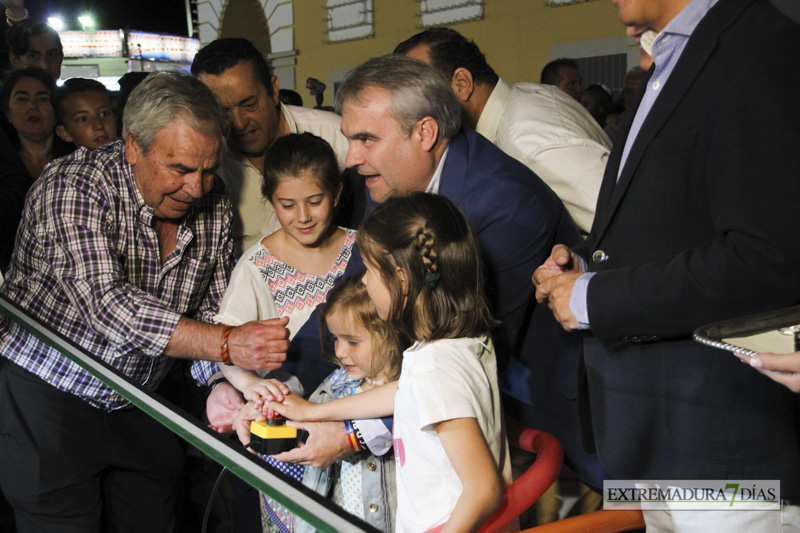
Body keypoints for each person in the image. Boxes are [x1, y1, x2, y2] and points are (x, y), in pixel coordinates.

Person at [534, 0, 800, 530]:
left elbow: (768, 258)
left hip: (723, 444)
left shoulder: (758, 48)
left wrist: (593, 298)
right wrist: (588, 268)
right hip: (661, 431)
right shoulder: (682, 53)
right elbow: (683, 221)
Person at [0, 71, 291, 532]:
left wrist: (221, 384)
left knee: (155, 519)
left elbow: (213, 312)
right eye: (179, 169)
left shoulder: (212, 203)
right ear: (133, 145)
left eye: (208, 169)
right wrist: (227, 345)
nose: (196, 188)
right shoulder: (72, 187)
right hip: (50, 396)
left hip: (141, 397)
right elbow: (107, 307)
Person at [272, 193, 512, 533]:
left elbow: (482, 490)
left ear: (400, 279)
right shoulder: (458, 343)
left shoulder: (435, 366)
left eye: (369, 270)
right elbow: (405, 393)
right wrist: (312, 411)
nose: (364, 281)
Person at [205, 132, 364, 415]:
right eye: (287, 205)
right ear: (271, 199)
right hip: (288, 412)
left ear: (337, 193)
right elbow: (225, 341)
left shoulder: (364, 248)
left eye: (315, 201)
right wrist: (248, 383)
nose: (303, 216)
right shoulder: (258, 266)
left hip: (359, 410)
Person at [394, 28, 610, 233]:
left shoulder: (526, 144)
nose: (409, 109)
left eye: (418, 92)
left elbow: (624, 225)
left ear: (462, 83)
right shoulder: (527, 95)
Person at [234, 275, 402, 532]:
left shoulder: (413, 391)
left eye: (353, 342)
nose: (340, 352)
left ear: (391, 334)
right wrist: (272, 408)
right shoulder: (334, 385)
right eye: (336, 338)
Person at [191, 38, 349, 257]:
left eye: (249, 104)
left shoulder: (337, 136)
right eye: (223, 112)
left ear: (274, 90)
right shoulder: (208, 165)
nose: (239, 122)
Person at [0, 67, 71, 272]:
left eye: (42, 99)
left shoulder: (76, 160)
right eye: (22, 99)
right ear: (7, 112)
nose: (33, 106)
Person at [54, 77, 117, 150]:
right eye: (83, 119)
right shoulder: (66, 161)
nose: (99, 125)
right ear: (64, 133)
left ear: (115, 119)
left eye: (104, 114)